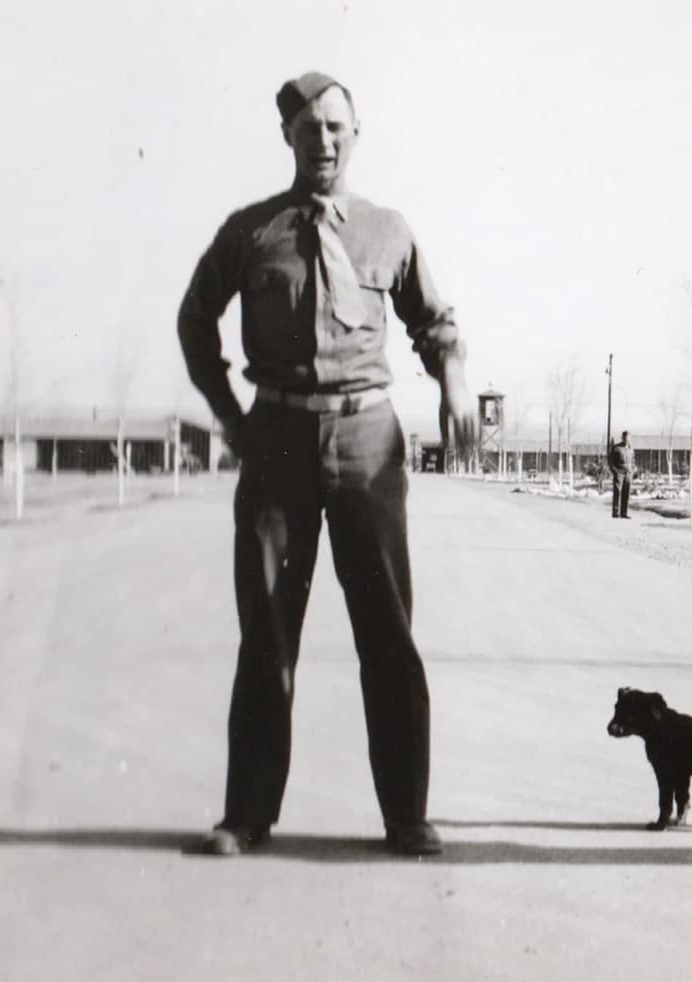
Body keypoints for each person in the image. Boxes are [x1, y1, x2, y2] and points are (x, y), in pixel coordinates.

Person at [177, 70, 478, 858]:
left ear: (356, 135)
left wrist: (454, 382)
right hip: (276, 440)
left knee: (388, 633)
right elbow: (195, 321)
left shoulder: (387, 230)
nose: (324, 142)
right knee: (267, 632)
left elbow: (434, 321)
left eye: (337, 128)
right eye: (310, 129)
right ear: (288, 137)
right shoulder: (251, 233)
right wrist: (232, 419)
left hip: (366, 439)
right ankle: (246, 816)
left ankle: (406, 816)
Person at [609, 430, 633, 518]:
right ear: (622, 438)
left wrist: (632, 469)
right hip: (619, 472)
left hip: (628, 472)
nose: (627, 440)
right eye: (625, 438)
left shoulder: (631, 449)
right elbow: (610, 461)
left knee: (626, 492)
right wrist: (615, 471)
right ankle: (616, 513)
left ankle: (624, 513)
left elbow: (632, 460)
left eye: (628, 439)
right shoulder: (616, 448)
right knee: (618, 492)